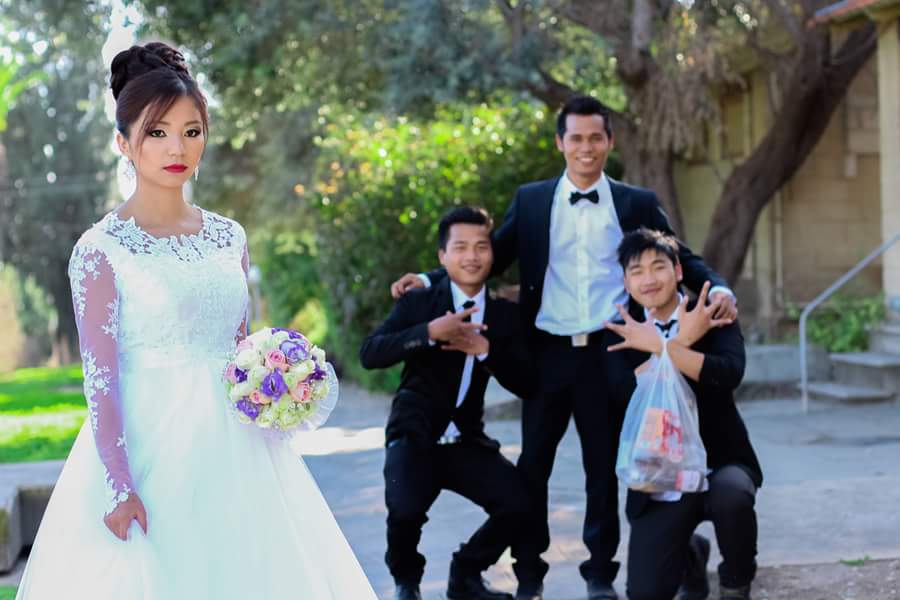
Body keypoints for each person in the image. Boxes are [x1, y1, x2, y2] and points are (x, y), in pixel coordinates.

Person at [15, 42, 377, 599]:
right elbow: (100, 379)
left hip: (240, 450)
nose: (177, 148)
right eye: (157, 133)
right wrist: (118, 485)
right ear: (124, 143)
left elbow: (239, 347)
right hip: (152, 450)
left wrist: (276, 382)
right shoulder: (100, 250)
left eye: (191, 131)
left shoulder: (230, 237)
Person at [390, 95, 738, 600]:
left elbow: (679, 255)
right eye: (576, 138)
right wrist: (428, 278)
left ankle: (599, 575)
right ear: (560, 142)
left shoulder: (635, 203)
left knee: (603, 468)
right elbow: (490, 255)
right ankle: (529, 576)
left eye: (596, 137)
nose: (586, 148)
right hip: (546, 353)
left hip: (610, 349)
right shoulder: (533, 200)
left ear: (610, 142)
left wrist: (720, 288)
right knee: (534, 468)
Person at [361, 207, 535, 600]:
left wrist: (487, 350)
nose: (471, 256)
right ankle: (407, 582)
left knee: (521, 502)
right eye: (460, 247)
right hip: (414, 433)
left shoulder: (505, 315)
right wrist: (428, 332)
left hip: (466, 441)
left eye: (481, 246)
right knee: (404, 510)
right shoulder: (420, 302)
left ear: (492, 253)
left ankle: (466, 575)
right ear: (443, 256)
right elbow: (370, 353)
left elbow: (527, 382)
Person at [604, 228, 762, 600]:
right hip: (658, 472)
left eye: (658, 266)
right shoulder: (621, 330)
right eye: (637, 271)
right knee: (644, 593)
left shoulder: (712, 314)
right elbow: (623, 392)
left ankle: (735, 582)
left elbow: (729, 373)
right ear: (626, 281)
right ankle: (692, 556)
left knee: (733, 497)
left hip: (720, 459)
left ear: (678, 270)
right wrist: (677, 344)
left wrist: (664, 348)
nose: (648, 279)